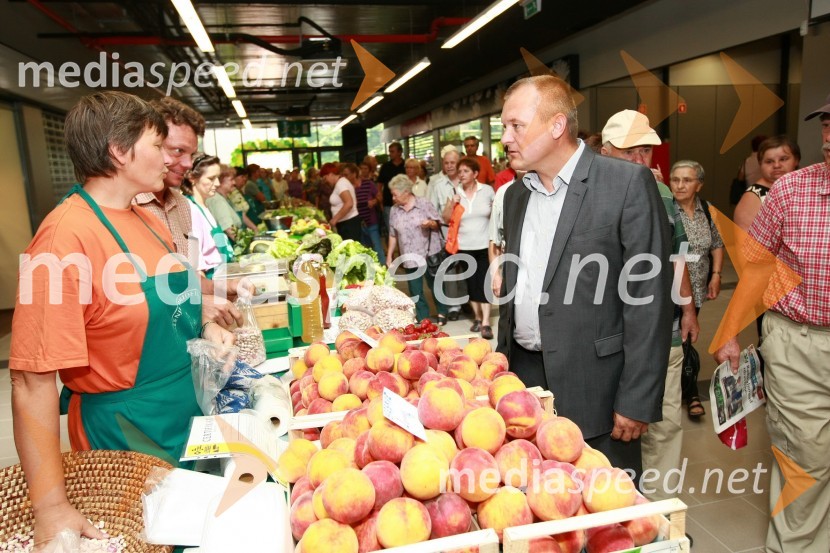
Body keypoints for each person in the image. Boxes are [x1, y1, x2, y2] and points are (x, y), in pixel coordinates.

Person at [9, 91, 233, 548]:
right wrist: (51, 507)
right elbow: (31, 384)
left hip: (188, 414)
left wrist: (206, 326)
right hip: (127, 435)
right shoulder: (62, 239)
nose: (169, 159)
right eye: (157, 144)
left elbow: (178, 299)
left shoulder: (145, 218)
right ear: (119, 150)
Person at [497, 76, 672, 476]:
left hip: (598, 388)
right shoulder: (515, 195)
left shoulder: (625, 184)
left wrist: (637, 399)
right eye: (503, 127)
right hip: (524, 380)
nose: (505, 138)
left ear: (557, 126)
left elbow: (649, 302)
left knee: (608, 518)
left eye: (516, 126)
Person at [714, 94, 830, 553]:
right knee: (807, 459)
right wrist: (728, 333)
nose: (829, 137)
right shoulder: (791, 191)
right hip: (799, 342)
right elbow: (758, 269)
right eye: (826, 124)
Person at [599, 109, 699, 496]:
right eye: (630, 153)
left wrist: (687, 309)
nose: (641, 162)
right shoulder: (587, 194)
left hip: (663, 332)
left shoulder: (661, 194)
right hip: (608, 332)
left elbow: (678, 256)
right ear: (606, 152)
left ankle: (660, 512)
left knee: (664, 422)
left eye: (646, 152)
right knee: (614, 425)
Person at [134, 96, 241, 327]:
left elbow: (190, 279)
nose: (187, 164)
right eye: (177, 151)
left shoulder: (182, 206)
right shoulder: (128, 206)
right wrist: (198, 308)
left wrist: (220, 289)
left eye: (191, 155)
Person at [668, 160, 724, 417]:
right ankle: (687, 394)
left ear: (699, 184)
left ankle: (687, 389)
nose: (679, 185)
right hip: (671, 287)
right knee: (676, 341)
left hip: (697, 288)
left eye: (687, 180)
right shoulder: (667, 209)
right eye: (675, 179)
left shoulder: (708, 210)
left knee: (689, 338)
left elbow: (717, 244)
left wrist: (716, 274)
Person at [443, 156, 495, 339]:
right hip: (464, 246)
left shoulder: (487, 190)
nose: (461, 175)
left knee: (484, 282)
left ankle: (487, 322)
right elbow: (445, 218)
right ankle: (478, 318)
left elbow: (496, 212)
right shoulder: (456, 192)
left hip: (484, 245)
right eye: (460, 172)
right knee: (471, 284)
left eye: (465, 171)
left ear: (475, 174)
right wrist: (453, 202)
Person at [386, 174, 448, 323]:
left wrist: (430, 224)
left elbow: (437, 222)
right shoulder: (395, 210)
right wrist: (389, 256)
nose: (393, 198)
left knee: (435, 286)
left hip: (428, 253)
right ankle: (423, 318)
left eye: (395, 194)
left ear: (406, 192)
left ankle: (442, 312)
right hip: (409, 257)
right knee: (415, 290)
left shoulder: (423, 203)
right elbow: (393, 234)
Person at [427, 146, 465, 322]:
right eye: (446, 163)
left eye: (453, 162)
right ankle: (454, 307)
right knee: (449, 270)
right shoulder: (437, 185)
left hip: (467, 232)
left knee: (466, 268)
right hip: (445, 232)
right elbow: (432, 209)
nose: (450, 166)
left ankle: (469, 301)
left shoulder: (468, 180)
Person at [733, 136, 801, 232]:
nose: (777, 165)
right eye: (769, 161)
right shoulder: (754, 197)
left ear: (796, 160)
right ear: (760, 164)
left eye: (783, 159)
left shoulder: (803, 188)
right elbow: (745, 243)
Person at [184, 154, 234, 276]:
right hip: (212, 281)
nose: (217, 183)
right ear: (192, 178)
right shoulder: (191, 209)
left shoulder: (204, 206)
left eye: (218, 178)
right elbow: (196, 264)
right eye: (211, 178)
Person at [207, 165, 258, 243]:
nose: (234, 183)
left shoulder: (226, 198)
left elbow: (241, 214)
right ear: (220, 181)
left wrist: (255, 229)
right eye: (231, 180)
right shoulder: (218, 201)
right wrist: (248, 245)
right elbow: (230, 230)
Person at [354, 161, 385, 262]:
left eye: (365, 169)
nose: (363, 171)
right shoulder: (353, 184)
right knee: (364, 247)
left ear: (369, 170)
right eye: (361, 168)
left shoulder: (370, 184)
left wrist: (374, 201)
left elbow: (379, 197)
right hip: (358, 220)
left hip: (371, 220)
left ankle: (383, 268)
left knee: (376, 246)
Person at [323, 162, 361, 242]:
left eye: (325, 178)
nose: (325, 181)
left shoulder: (341, 183)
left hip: (349, 225)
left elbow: (349, 203)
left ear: (330, 174)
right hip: (346, 223)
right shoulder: (341, 182)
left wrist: (334, 219)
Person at [377, 142, 406, 231]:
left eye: (392, 152)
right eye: (389, 152)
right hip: (388, 202)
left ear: (399, 152)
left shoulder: (406, 165)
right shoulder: (385, 166)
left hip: (405, 202)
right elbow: (379, 184)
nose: (390, 154)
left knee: (404, 228)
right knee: (391, 229)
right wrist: (380, 200)